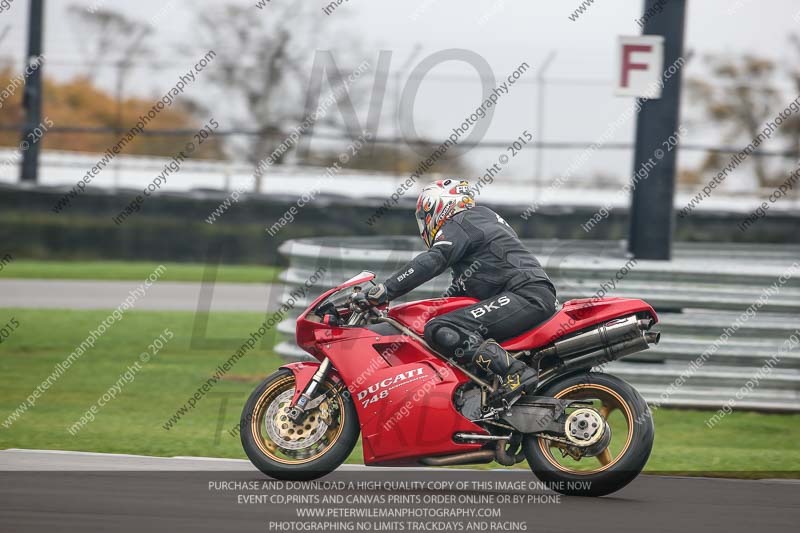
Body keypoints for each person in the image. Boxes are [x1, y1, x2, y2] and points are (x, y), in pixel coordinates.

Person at [367, 179, 558, 406]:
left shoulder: (462, 221)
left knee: (442, 328)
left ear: (439, 206)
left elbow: (433, 260)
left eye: (424, 215)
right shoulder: (479, 222)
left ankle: (516, 373)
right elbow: (457, 293)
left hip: (526, 294)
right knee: (443, 325)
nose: (424, 223)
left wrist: (387, 289)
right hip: (527, 293)